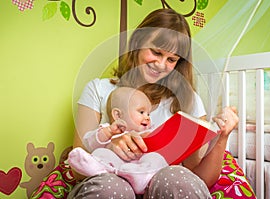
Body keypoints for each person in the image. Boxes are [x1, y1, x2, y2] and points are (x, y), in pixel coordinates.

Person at [69, 8, 239, 199]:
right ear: (138, 43)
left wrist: (222, 137)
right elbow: (77, 169)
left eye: (171, 59)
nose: (160, 64)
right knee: (112, 187)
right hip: (109, 184)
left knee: (176, 177)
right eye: (156, 52)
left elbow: (202, 178)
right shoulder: (98, 89)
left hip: (163, 187)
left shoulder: (188, 101)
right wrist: (109, 146)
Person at [67, 87, 168, 194]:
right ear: (118, 115)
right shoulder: (109, 130)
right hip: (112, 172)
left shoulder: (146, 132)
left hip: (137, 168)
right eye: (141, 112)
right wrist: (107, 133)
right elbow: (88, 143)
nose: (147, 117)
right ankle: (97, 169)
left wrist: (152, 137)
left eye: (148, 114)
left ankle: (140, 177)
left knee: (155, 158)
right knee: (101, 153)